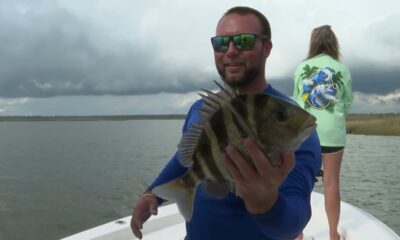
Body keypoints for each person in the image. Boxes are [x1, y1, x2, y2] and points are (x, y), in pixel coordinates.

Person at [131, 6, 321, 240]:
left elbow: (293, 223)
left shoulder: (293, 128)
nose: (231, 51)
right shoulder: (201, 110)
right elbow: (186, 159)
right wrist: (153, 194)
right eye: (222, 43)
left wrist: (265, 202)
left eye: (244, 41)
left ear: (267, 48)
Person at [292, 25, 353, 240]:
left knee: (300, 183)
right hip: (334, 133)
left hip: (305, 133)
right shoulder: (341, 69)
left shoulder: (302, 68)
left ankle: (297, 235)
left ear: (313, 43)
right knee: (331, 183)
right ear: (334, 43)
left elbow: (296, 102)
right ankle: (333, 235)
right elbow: (346, 103)